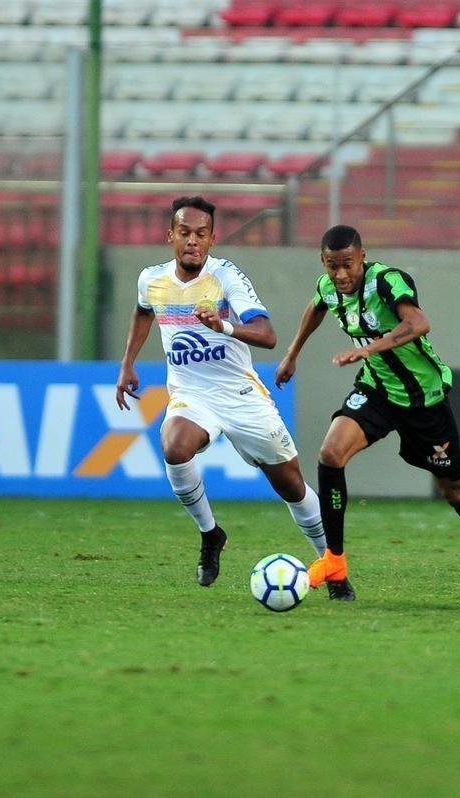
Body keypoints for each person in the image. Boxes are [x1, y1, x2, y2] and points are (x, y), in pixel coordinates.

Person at [277, 224, 460, 600]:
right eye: (332, 266)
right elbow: (316, 306)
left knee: (454, 489)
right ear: (323, 262)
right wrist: (292, 353)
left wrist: (368, 349)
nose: (340, 274)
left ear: (363, 257)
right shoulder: (328, 287)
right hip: (376, 389)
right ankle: (334, 560)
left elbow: (419, 323)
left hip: (423, 398)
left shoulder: (386, 282)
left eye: (348, 264)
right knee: (330, 454)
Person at [115, 196, 327, 587]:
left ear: (212, 239)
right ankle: (211, 533)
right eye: (184, 232)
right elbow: (144, 310)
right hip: (192, 393)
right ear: (170, 236)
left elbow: (267, 335)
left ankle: (331, 564)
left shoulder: (226, 277)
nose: (192, 241)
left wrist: (223, 327)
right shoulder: (151, 279)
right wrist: (128, 362)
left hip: (240, 394)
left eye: (201, 234)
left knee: (291, 486)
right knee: (174, 446)